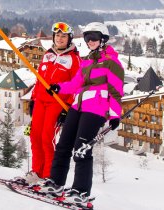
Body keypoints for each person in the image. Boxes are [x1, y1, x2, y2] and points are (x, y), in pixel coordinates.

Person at [37, 22, 124, 204]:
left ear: (103, 39)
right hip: (77, 106)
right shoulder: (87, 61)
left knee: (82, 150)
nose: (90, 41)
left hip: (96, 109)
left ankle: (80, 191)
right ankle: (56, 183)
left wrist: (115, 115)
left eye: (94, 38)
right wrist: (58, 88)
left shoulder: (112, 62)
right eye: (87, 38)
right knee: (63, 145)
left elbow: (116, 91)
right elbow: (75, 84)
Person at [17, 22, 81, 185]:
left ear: (69, 39)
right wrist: (33, 99)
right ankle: (37, 172)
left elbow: (77, 85)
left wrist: (67, 109)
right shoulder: (48, 54)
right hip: (40, 102)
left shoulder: (74, 59)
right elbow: (40, 80)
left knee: (47, 137)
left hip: (58, 103)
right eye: (57, 35)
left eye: (63, 36)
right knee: (35, 135)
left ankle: (48, 175)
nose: (60, 39)